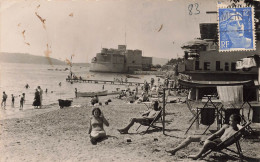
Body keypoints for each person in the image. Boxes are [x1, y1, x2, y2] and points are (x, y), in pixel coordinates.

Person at [166, 114, 242, 160]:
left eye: (231, 121)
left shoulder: (237, 132)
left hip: (218, 145)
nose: (229, 122)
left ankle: (197, 156)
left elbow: (243, 130)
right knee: (190, 137)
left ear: (236, 122)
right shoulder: (226, 126)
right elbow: (215, 134)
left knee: (207, 143)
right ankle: (174, 150)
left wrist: (238, 125)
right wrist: (207, 139)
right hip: (214, 140)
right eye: (229, 120)